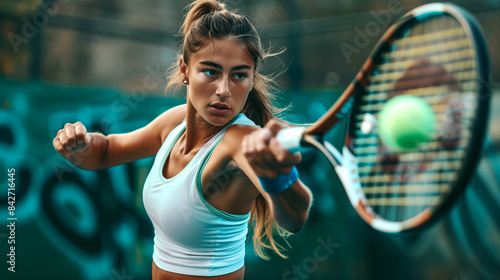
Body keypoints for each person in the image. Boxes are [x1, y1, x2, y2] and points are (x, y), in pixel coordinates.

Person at [53, 0, 313, 279]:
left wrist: (281, 177)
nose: (224, 90)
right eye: (211, 71)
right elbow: (106, 152)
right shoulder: (174, 123)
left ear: (251, 80)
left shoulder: (242, 140)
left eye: (239, 75)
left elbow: (294, 219)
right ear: (184, 69)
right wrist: (78, 145)